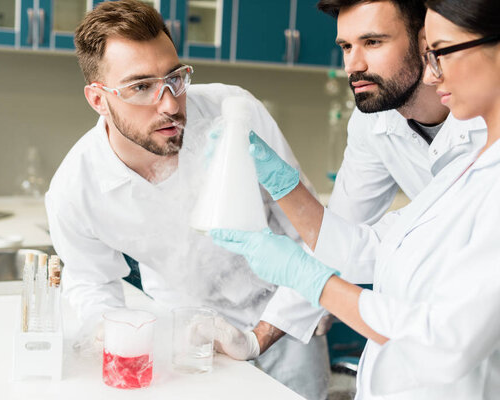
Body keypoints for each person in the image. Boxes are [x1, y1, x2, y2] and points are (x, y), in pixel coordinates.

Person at [212, 0, 500, 398]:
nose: (353, 65)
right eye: (346, 46)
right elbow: (355, 243)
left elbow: (447, 340)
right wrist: (258, 336)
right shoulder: (432, 157)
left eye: (373, 41)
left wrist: (311, 278)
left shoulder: (479, 155)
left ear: (423, 42)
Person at [45, 1, 329, 398]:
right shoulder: (76, 188)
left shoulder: (234, 115)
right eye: (141, 86)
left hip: (285, 320)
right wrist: (108, 332)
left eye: (175, 78)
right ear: (97, 99)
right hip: (187, 337)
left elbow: (313, 236)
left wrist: (261, 336)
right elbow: (91, 281)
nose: (169, 103)